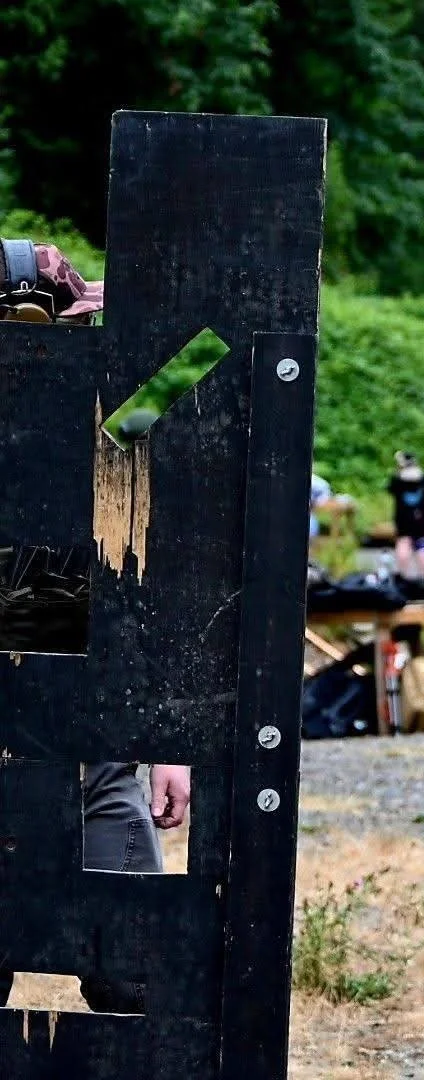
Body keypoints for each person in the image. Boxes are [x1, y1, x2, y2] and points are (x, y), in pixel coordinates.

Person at [0, 237, 191, 1012]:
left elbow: (202, 350)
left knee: (135, 970)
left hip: (89, 747)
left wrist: (167, 741)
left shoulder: (110, 428)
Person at [387, 450, 424, 580]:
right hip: (421, 518)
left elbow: (390, 490)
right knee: (422, 545)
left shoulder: (398, 478)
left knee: (403, 542)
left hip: (402, 518)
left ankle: (403, 577)